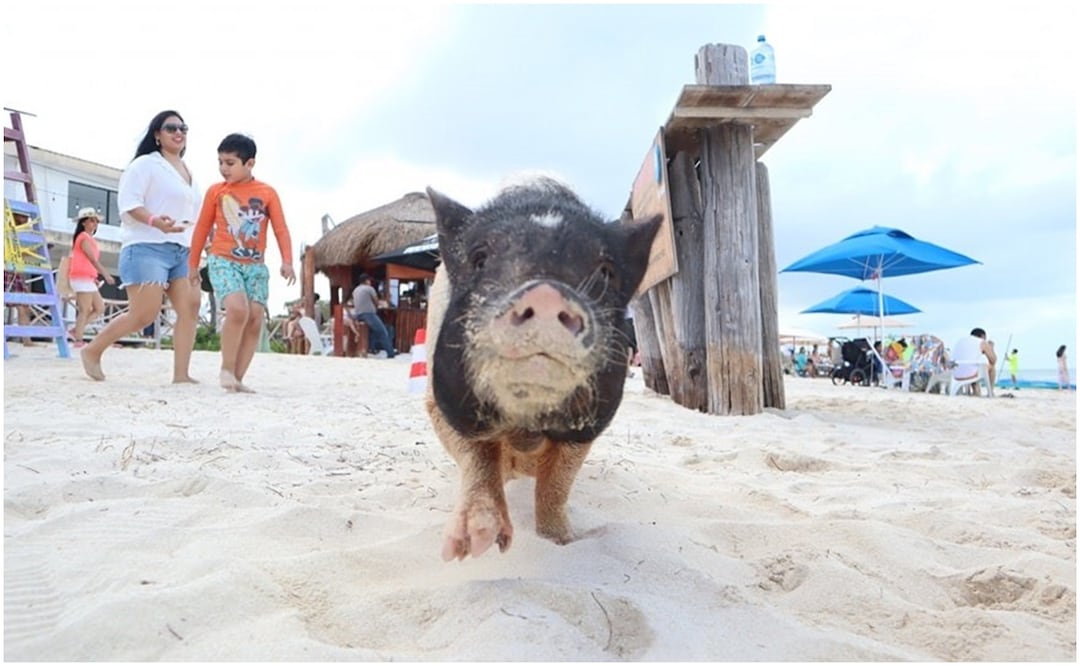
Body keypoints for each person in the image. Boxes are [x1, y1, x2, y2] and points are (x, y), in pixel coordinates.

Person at [80, 110, 202, 382]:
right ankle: (92, 349)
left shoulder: (188, 172)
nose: (178, 132)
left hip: (181, 250)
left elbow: (196, 215)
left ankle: (181, 375)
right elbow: (129, 204)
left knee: (190, 308)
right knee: (143, 315)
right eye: (171, 128)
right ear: (157, 134)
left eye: (183, 127)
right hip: (146, 246)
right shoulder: (144, 165)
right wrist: (154, 220)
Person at [188, 133, 295, 392]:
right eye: (220, 162)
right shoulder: (216, 191)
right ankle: (226, 369)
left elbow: (280, 228)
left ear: (250, 164)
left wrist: (287, 260)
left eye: (230, 163)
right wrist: (192, 264)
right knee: (237, 311)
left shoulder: (267, 193)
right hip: (223, 259)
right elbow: (202, 227)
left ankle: (237, 378)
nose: (223, 168)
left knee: (256, 318)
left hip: (256, 265)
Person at [67, 207, 116, 347]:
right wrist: (105, 274)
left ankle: (76, 331)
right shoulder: (83, 237)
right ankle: (78, 339)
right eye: (92, 221)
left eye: (96, 221)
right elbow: (92, 259)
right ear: (84, 222)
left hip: (86, 277)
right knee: (85, 309)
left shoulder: (86, 238)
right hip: (81, 277)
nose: (95, 224)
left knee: (100, 307)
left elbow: (88, 261)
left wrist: (94, 275)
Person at [351, 273, 395, 358]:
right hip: (368, 314)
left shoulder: (355, 290)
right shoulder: (369, 289)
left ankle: (372, 348)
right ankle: (390, 353)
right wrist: (378, 305)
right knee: (383, 331)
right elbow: (376, 301)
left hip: (358, 315)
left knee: (373, 332)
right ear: (367, 281)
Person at [951, 327, 997, 396]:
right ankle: (990, 392)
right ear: (982, 336)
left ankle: (976, 391)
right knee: (991, 367)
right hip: (969, 373)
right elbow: (993, 360)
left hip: (955, 373)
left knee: (973, 365)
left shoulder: (961, 341)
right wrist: (991, 347)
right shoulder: (982, 342)